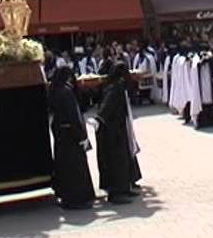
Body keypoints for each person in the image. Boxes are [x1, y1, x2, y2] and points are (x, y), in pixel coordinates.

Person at [91, 62, 142, 204]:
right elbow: (107, 106)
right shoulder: (115, 87)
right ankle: (116, 193)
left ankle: (125, 187)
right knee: (116, 161)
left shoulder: (117, 85)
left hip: (119, 129)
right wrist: (99, 120)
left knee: (124, 159)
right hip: (112, 131)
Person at [47, 66, 96, 210]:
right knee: (75, 168)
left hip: (61, 135)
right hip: (71, 136)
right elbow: (74, 116)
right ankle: (78, 199)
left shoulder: (55, 91)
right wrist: (82, 136)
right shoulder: (66, 93)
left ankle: (67, 196)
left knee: (64, 167)